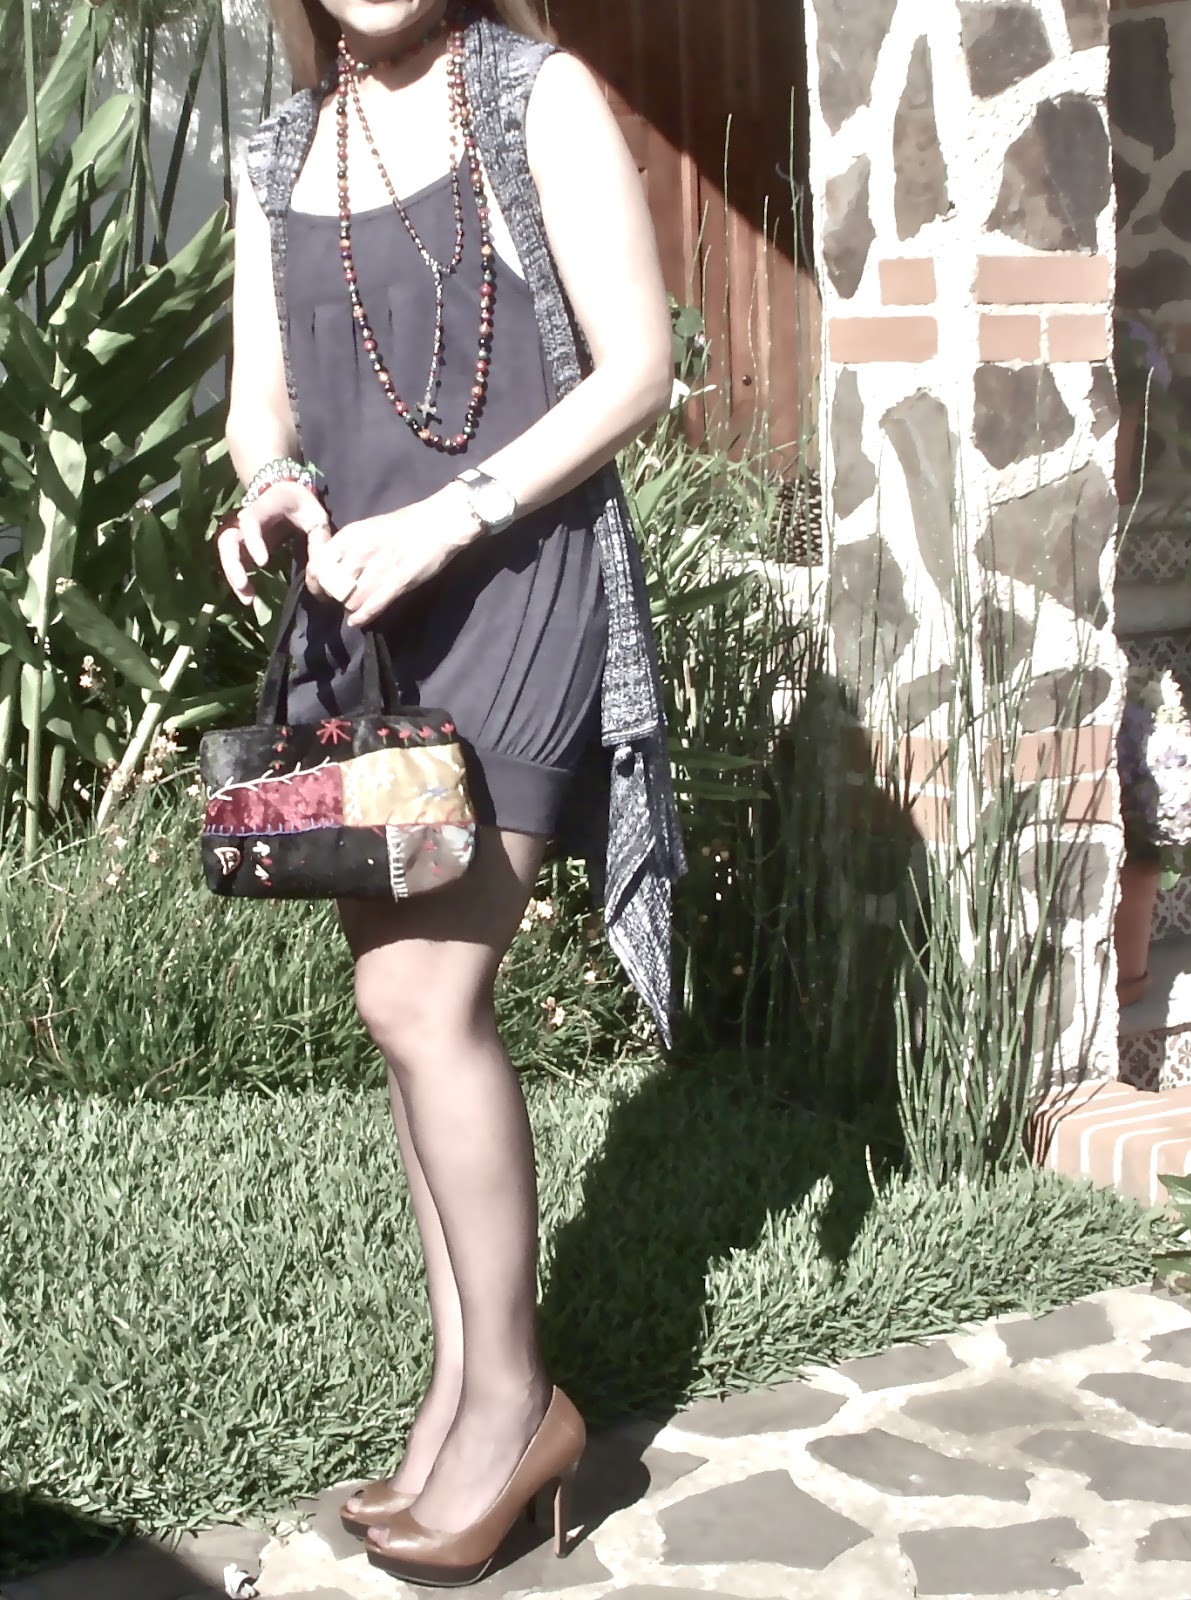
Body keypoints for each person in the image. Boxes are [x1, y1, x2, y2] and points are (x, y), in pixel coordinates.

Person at [217, 0, 686, 1585]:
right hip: (365, 619)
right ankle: (461, 1391)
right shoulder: (279, 148)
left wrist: (452, 515)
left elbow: (638, 369)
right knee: (399, 1015)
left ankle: (516, 1403)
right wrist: (272, 489)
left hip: (515, 586)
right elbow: (261, 405)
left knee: (427, 999)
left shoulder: (538, 94)